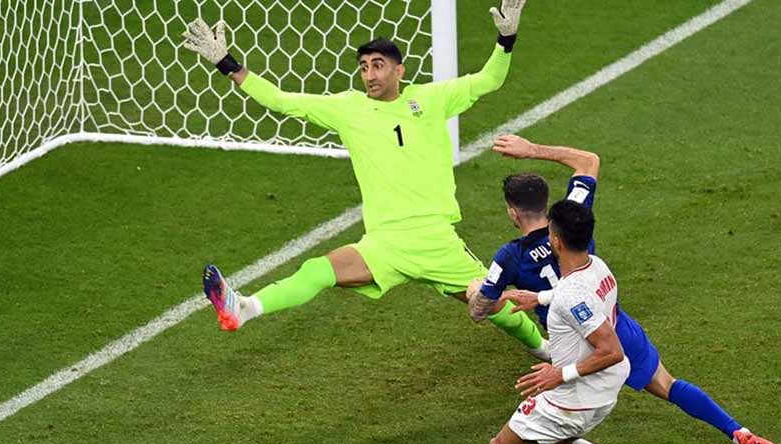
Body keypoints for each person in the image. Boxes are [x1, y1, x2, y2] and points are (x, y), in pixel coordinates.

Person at [181, 1, 549, 359]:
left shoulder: (432, 98)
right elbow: (280, 100)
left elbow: (490, 79)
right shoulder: (348, 108)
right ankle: (245, 308)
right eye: (363, 67)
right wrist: (225, 63)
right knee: (319, 270)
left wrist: (506, 39)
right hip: (384, 243)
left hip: (436, 241)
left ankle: (544, 348)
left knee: (492, 303)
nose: (370, 75)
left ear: (400, 70)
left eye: (378, 65)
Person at [467, 134, 778, 444]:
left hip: (573, 350)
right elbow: (588, 160)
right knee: (669, 385)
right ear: (545, 204)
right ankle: (740, 433)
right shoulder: (573, 217)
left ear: (513, 213)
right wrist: (532, 151)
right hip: (612, 326)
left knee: (541, 430)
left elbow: (481, 310)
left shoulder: (510, 256)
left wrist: (478, 292)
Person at [425, 200, 661, 444]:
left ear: (556, 241)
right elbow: (575, 300)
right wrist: (540, 297)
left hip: (574, 396)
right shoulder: (597, 266)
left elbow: (611, 351)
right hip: (604, 389)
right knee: (558, 443)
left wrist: (559, 375)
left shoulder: (571, 295)